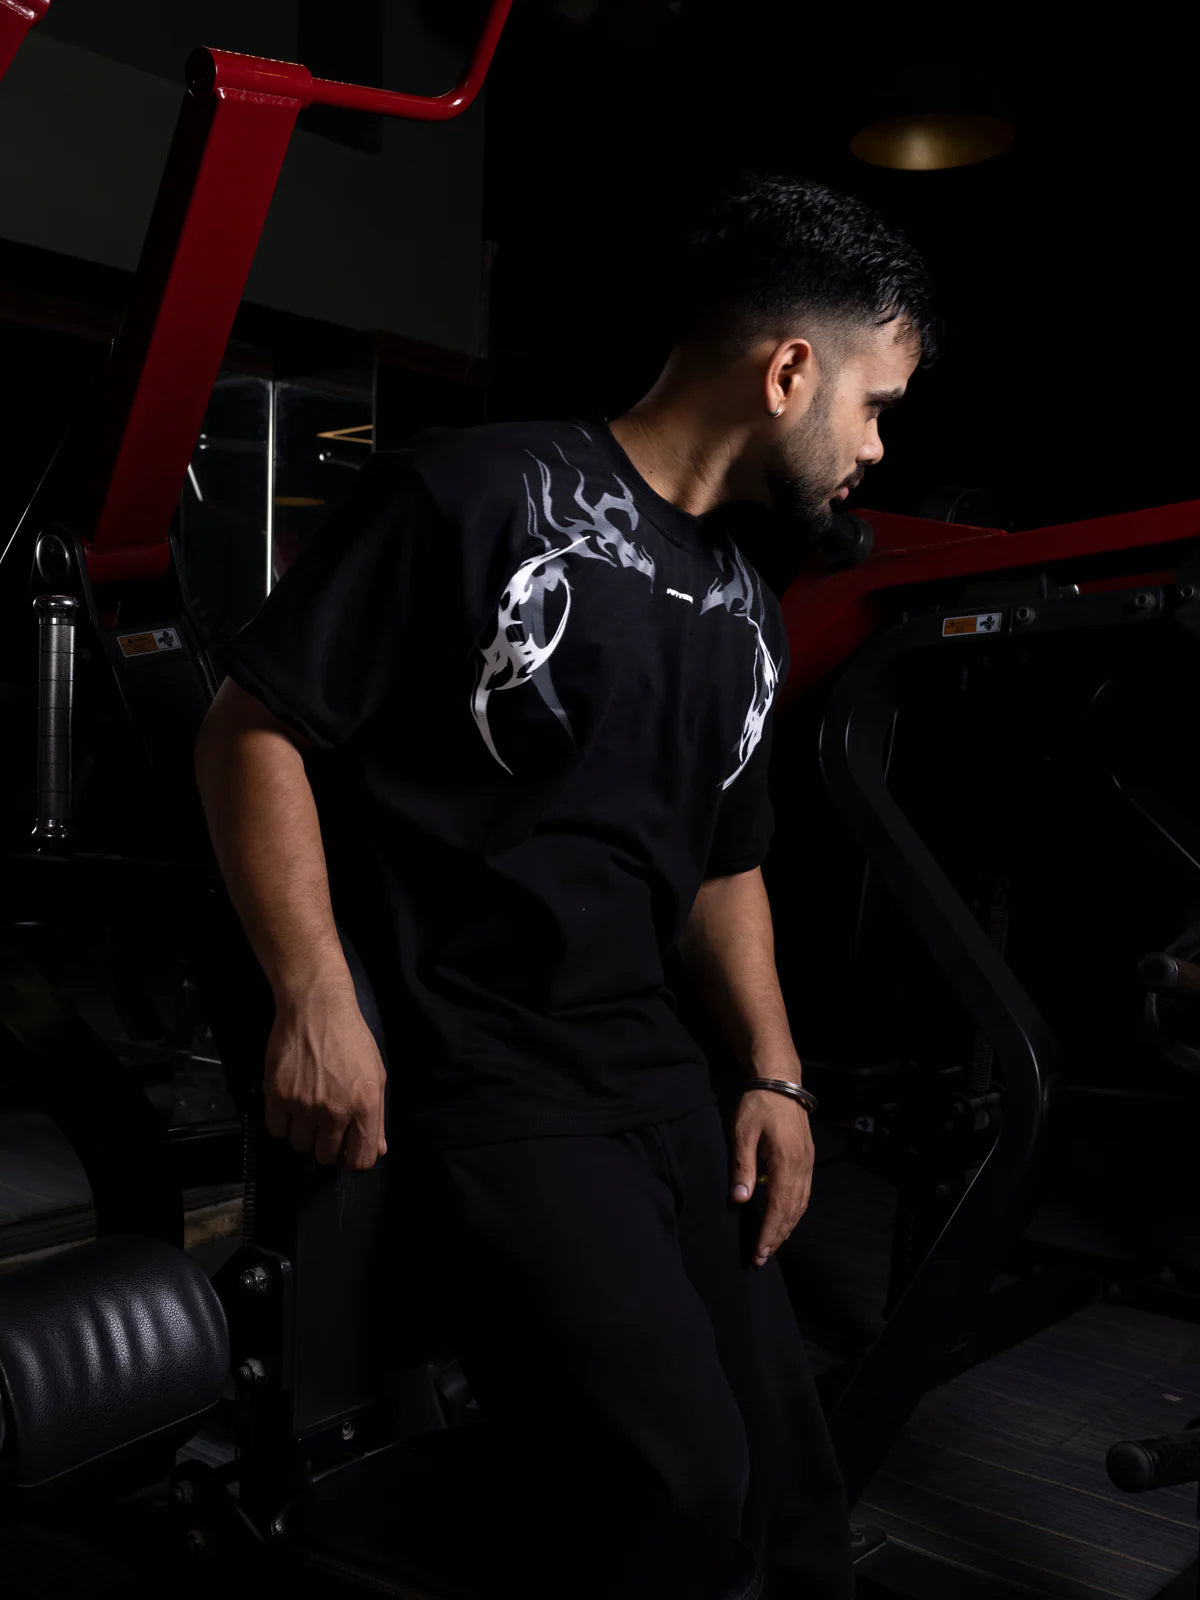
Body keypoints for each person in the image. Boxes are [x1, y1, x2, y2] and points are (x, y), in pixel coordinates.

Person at [194, 171, 938, 1599]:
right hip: (485, 1074)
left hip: (651, 1073)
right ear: (789, 371)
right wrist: (312, 997)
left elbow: (725, 861)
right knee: (676, 1488)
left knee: (790, 1494)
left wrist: (775, 1077)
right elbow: (252, 727)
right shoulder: (469, 494)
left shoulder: (744, 601)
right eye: (875, 404)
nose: (876, 446)